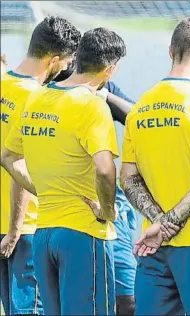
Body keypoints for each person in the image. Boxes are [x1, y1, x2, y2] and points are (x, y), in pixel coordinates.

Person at [1, 27, 126, 315]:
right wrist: (108, 210)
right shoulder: (92, 105)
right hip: (83, 232)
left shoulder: (37, 98)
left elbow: (8, 157)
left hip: (44, 233)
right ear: (110, 69)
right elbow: (106, 171)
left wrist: (43, 191)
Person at [120, 18, 190, 315]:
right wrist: (170, 223)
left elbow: (129, 179)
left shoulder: (141, 106)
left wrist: (158, 222)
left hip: (152, 244)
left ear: (171, 51)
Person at [0, 16, 80, 316]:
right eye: (66, 62)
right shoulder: (37, 98)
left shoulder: (3, 82)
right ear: (55, 59)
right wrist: (15, 229)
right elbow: (19, 165)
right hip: (24, 228)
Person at [55, 60, 138, 316]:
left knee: (128, 298)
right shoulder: (49, 92)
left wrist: (105, 96)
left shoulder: (103, 87)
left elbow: (137, 118)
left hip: (111, 208)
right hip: (67, 209)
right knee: (76, 297)